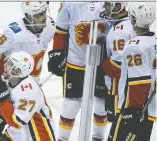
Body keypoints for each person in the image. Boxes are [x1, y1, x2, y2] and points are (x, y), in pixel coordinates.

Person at [0, 2, 55, 140]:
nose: (43, 18)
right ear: (28, 17)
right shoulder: (13, 33)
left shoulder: (50, 26)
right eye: (38, 15)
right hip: (4, 83)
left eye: (44, 13)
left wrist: (58, 54)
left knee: (23, 124)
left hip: (29, 83)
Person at [48, 2, 108, 141]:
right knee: (71, 104)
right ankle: (62, 139)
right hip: (75, 62)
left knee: (101, 103)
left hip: (102, 62)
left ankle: (98, 138)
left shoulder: (107, 3)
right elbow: (61, 31)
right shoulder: (69, 3)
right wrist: (56, 54)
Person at [107, 3, 156, 141]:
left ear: (133, 20)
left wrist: (131, 111)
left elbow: (139, 81)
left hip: (134, 110)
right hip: (149, 109)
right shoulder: (154, 41)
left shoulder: (134, 46)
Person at [0, 51, 56, 141]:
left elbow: (16, 121)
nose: (5, 65)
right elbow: (13, 106)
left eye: (10, 64)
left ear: (17, 71)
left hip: (39, 134)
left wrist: (2, 99)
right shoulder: (11, 79)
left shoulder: (29, 93)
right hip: (19, 131)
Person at [101, 2, 136, 122]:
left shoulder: (119, 32)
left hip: (121, 88)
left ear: (118, 6)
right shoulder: (131, 21)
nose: (105, 8)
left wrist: (101, 67)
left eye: (109, 5)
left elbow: (118, 65)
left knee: (119, 126)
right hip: (136, 84)